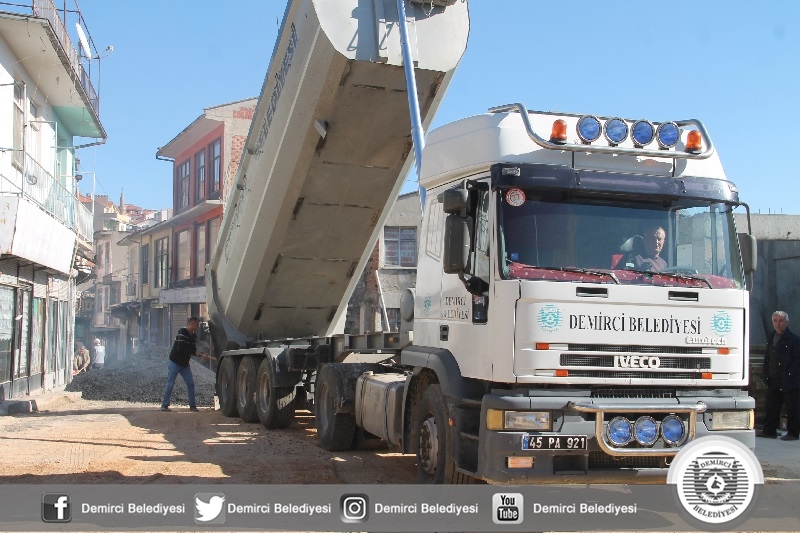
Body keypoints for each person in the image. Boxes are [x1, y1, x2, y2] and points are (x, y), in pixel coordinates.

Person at [758, 311, 800, 441]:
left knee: (792, 407)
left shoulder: (794, 339)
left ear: (787, 322)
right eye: (775, 321)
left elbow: (797, 360)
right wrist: (765, 374)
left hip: (788, 379)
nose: (778, 324)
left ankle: (793, 433)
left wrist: (790, 374)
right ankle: (769, 430)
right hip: (773, 378)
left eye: (781, 321)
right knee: (771, 406)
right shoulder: (771, 337)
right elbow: (768, 358)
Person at [161, 316, 207, 412]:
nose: (198, 327)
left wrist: (200, 355)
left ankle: (192, 405)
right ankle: (164, 405)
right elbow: (180, 348)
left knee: (191, 384)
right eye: (197, 324)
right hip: (175, 362)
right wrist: (195, 352)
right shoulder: (182, 332)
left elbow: (193, 349)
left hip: (185, 364)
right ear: (191, 324)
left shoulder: (194, 336)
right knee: (170, 383)